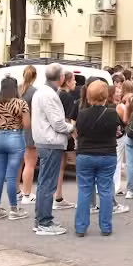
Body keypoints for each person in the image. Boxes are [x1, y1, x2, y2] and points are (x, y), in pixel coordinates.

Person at [31, 63, 76, 236]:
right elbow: (57, 123)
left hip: (45, 141)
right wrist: (71, 128)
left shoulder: (42, 92)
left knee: (45, 183)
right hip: (50, 142)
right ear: (61, 77)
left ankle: (41, 220)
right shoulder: (48, 94)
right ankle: (44, 222)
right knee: (48, 184)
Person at [74, 80, 123, 237]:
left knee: (84, 190)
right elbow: (119, 131)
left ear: (88, 96)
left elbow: (78, 132)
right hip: (107, 154)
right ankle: (106, 226)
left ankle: (81, 227)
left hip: (85, 154)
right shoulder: (112, 113)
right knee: (106, 190)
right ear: (106, 96)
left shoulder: (82, 114)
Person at [0, 76, 30, 221]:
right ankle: (14, 210)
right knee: (12, 177)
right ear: (15, 88)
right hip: (15, 138)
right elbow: (27, 125)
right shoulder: (21, 103)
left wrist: (3, 120)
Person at [52, 70, 77, 211]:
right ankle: (59, 197)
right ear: (67, 82)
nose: (75, 82)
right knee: (78, 165)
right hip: (66, 134)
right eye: (73, 80)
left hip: (57, 134)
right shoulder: (67, 97)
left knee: (60, 166)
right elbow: (69, 119)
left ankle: (58, 196)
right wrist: (74, 135)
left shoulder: (57, 94)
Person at [18, 65, 39, 204]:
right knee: (30, 164)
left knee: (18, 163)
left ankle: (17, 192)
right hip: (29, 130)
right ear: (34, 76)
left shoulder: (16, 89)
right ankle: (27, 194)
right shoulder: (34, 92)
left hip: (15, 130)